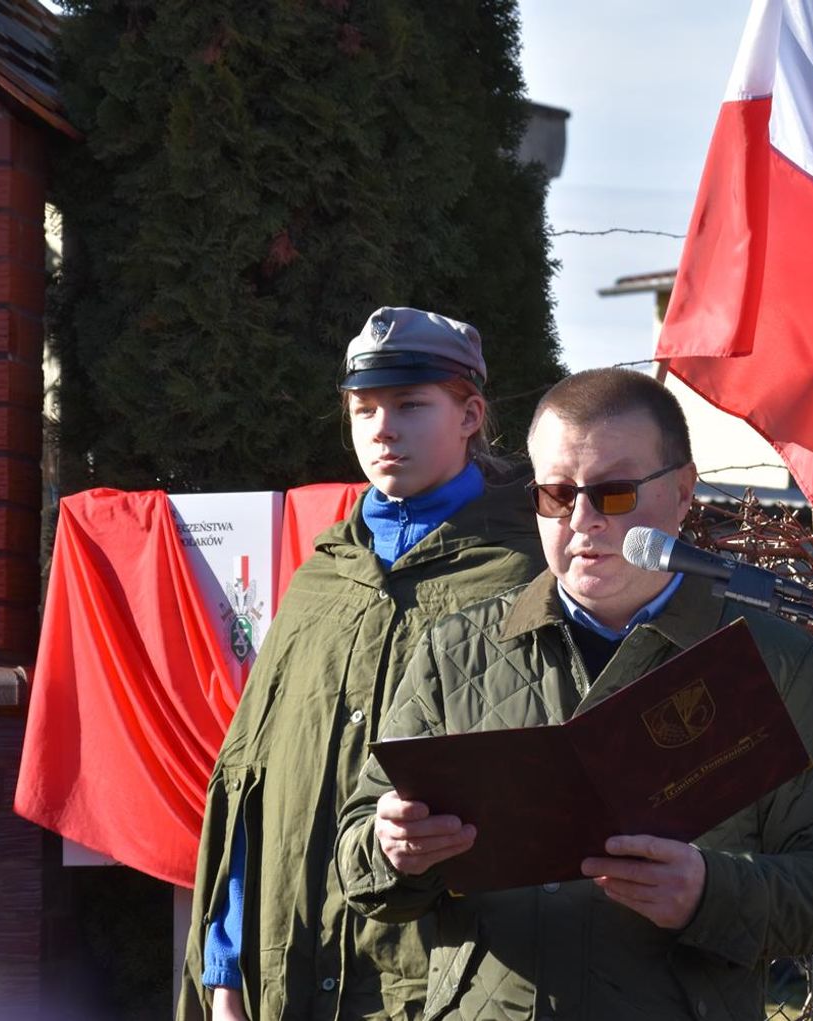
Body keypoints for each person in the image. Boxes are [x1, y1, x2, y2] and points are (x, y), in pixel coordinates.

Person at [338, 367, 813, 1020]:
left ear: (682, 492)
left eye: (614, 494)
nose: (582, 520)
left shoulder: (771, 660)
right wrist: (391, 848)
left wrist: (709, 890)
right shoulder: (456, 649)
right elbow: (358, 864)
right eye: (556, 494)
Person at [178, 308, 544, 1021]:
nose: (383, 429)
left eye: (411, 405)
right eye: (364, 408)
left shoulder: (525, 574)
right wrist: (226, 969)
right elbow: (250, 783)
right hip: (289, 977)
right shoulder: (323, 577)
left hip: (446, 983)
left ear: (470, 415)